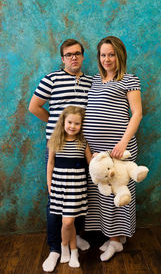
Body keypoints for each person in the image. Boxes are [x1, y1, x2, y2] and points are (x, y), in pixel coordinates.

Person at [29, 39, 92, 272]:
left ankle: (75, 235)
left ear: (83, 56)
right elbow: (34, 107)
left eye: (77, 53)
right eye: (68, 54)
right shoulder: (51, 79)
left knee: (81, 193)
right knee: (55, 200)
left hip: (82, 146)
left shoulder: (90, 81)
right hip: (58, 147)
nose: (73, 57)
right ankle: (56, 247)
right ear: (62, 58)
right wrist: (56, 127)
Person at [83, 36, 143, 261]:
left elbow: (136, 113)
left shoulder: (129, 79)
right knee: (102, 193)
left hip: (119, 148)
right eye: (103, 55)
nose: (107, 59)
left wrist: (123, 142)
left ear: (120, 56)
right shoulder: (95, 81)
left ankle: (116, 242)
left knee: (117, 193)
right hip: (97, 150)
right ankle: (114, 236)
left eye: (111, 54)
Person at [47, 106, 92, 268]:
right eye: (70, 122)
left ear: (82, 125)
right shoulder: (55, 140)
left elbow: (91, 163)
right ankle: (72, 251)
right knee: (68, 223)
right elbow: (50, 164)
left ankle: (65, 246)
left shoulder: (83, 142)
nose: (72, 126)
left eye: (77, 123)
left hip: (76, 187)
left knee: (68, 222)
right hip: (59, 185)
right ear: (63, 122)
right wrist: (49, 184)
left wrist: (105, 164)